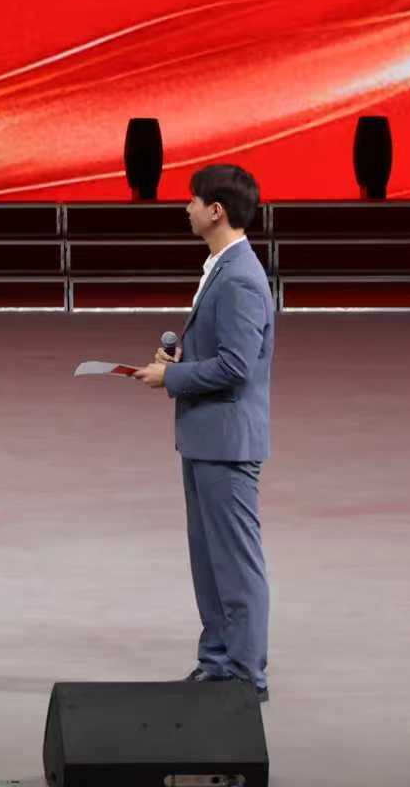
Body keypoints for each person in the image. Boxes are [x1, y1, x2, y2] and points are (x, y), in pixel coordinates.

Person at [133, 163, 275, 701]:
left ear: (216, 211)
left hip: (226, 442)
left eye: (193, 200)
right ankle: (217, 663)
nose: (186, 207)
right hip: (205, 437)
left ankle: (245, 675)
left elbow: (237, 365)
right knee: (210, 561)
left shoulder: (239, 278)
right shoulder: (221, 267)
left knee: (234, 563)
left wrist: (172, 377)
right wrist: (182, 361)